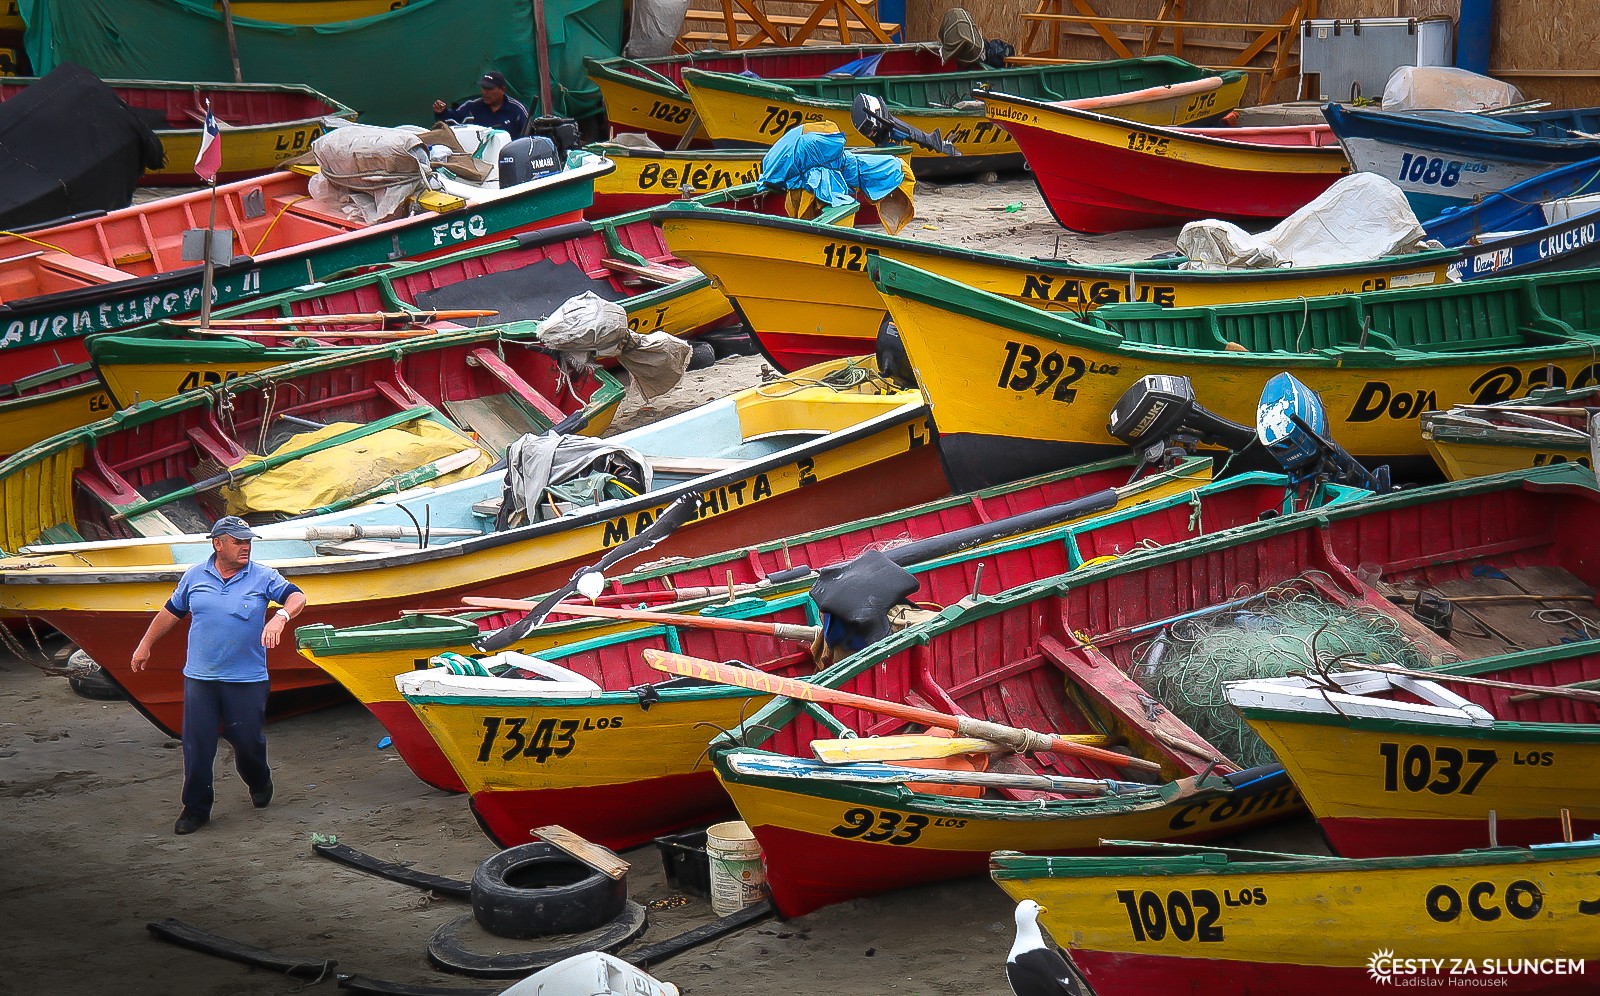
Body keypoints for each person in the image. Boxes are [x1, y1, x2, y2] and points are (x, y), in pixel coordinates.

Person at [131, 516, 307, 835]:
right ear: (218, 544)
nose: (245, 547)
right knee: (197, 746)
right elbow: (170, 612)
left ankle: (259, 779)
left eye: (248, 542)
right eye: (238, 542)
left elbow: (297, 597)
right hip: (200, 679)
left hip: (247, 680)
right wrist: (145, 645)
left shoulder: (263, 576)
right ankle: (196, 808)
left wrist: (279, 618)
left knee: (247, 742)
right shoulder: (194, 576)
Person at [433, 70, 529, 137]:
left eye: (489, 89)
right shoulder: (472, 107)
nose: (484, 92)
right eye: (483, 88)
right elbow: (451, 121)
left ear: (502, 90)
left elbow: (529, 136)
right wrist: (441, 112)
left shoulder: (517, 109)